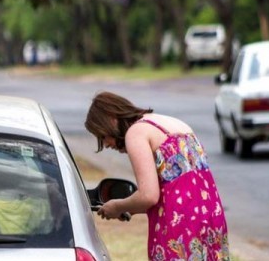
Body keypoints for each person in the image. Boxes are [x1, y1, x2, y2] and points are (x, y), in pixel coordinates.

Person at [85, 91, 229, 260]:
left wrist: (117, 206)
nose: (106, 144)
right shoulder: (175, 124)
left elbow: (148, 196)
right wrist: (129, 208)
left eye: (103, 136)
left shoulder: (136, 133)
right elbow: (177, 191)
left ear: (111, 119)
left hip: (179, 229)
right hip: (211, 220)